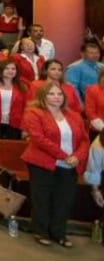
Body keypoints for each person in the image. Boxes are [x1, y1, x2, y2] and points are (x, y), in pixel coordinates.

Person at [22, 82, 88, 248]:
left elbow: (84, 140)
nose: (56, 97)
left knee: (64, 200)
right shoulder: (34, 113)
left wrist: (77, 156)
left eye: (59, 94)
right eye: (51, 94)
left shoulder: (74, 115)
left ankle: (59, 233)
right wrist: (64, 156)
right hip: (42, 162)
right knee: (42, 198)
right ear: (42, 96)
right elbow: (39, 139)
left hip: (70, 165)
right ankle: (41, 231)